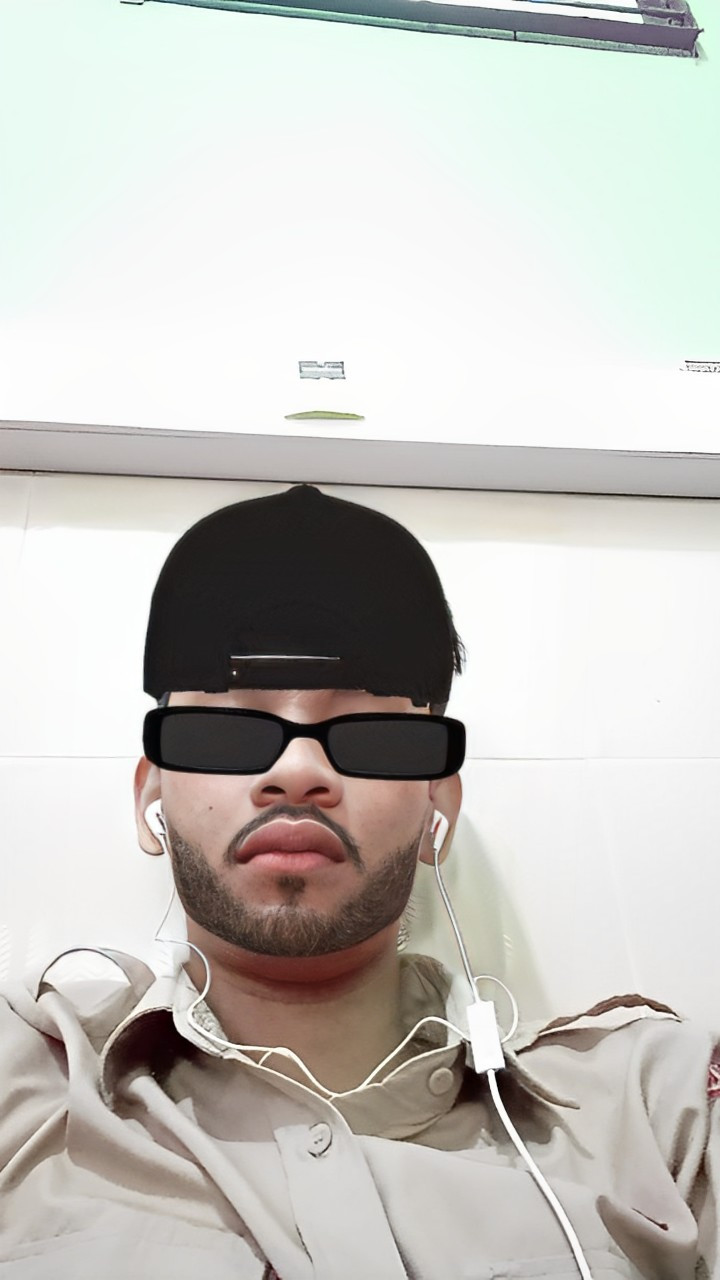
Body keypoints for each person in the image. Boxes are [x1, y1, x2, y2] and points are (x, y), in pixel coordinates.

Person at [0, 482, 718, 1280]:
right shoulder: (23, 1096)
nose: (297, 769)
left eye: (369, 733)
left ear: (439, 805)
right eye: (228, 728)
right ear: (150, 799)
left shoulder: (655, 1108)